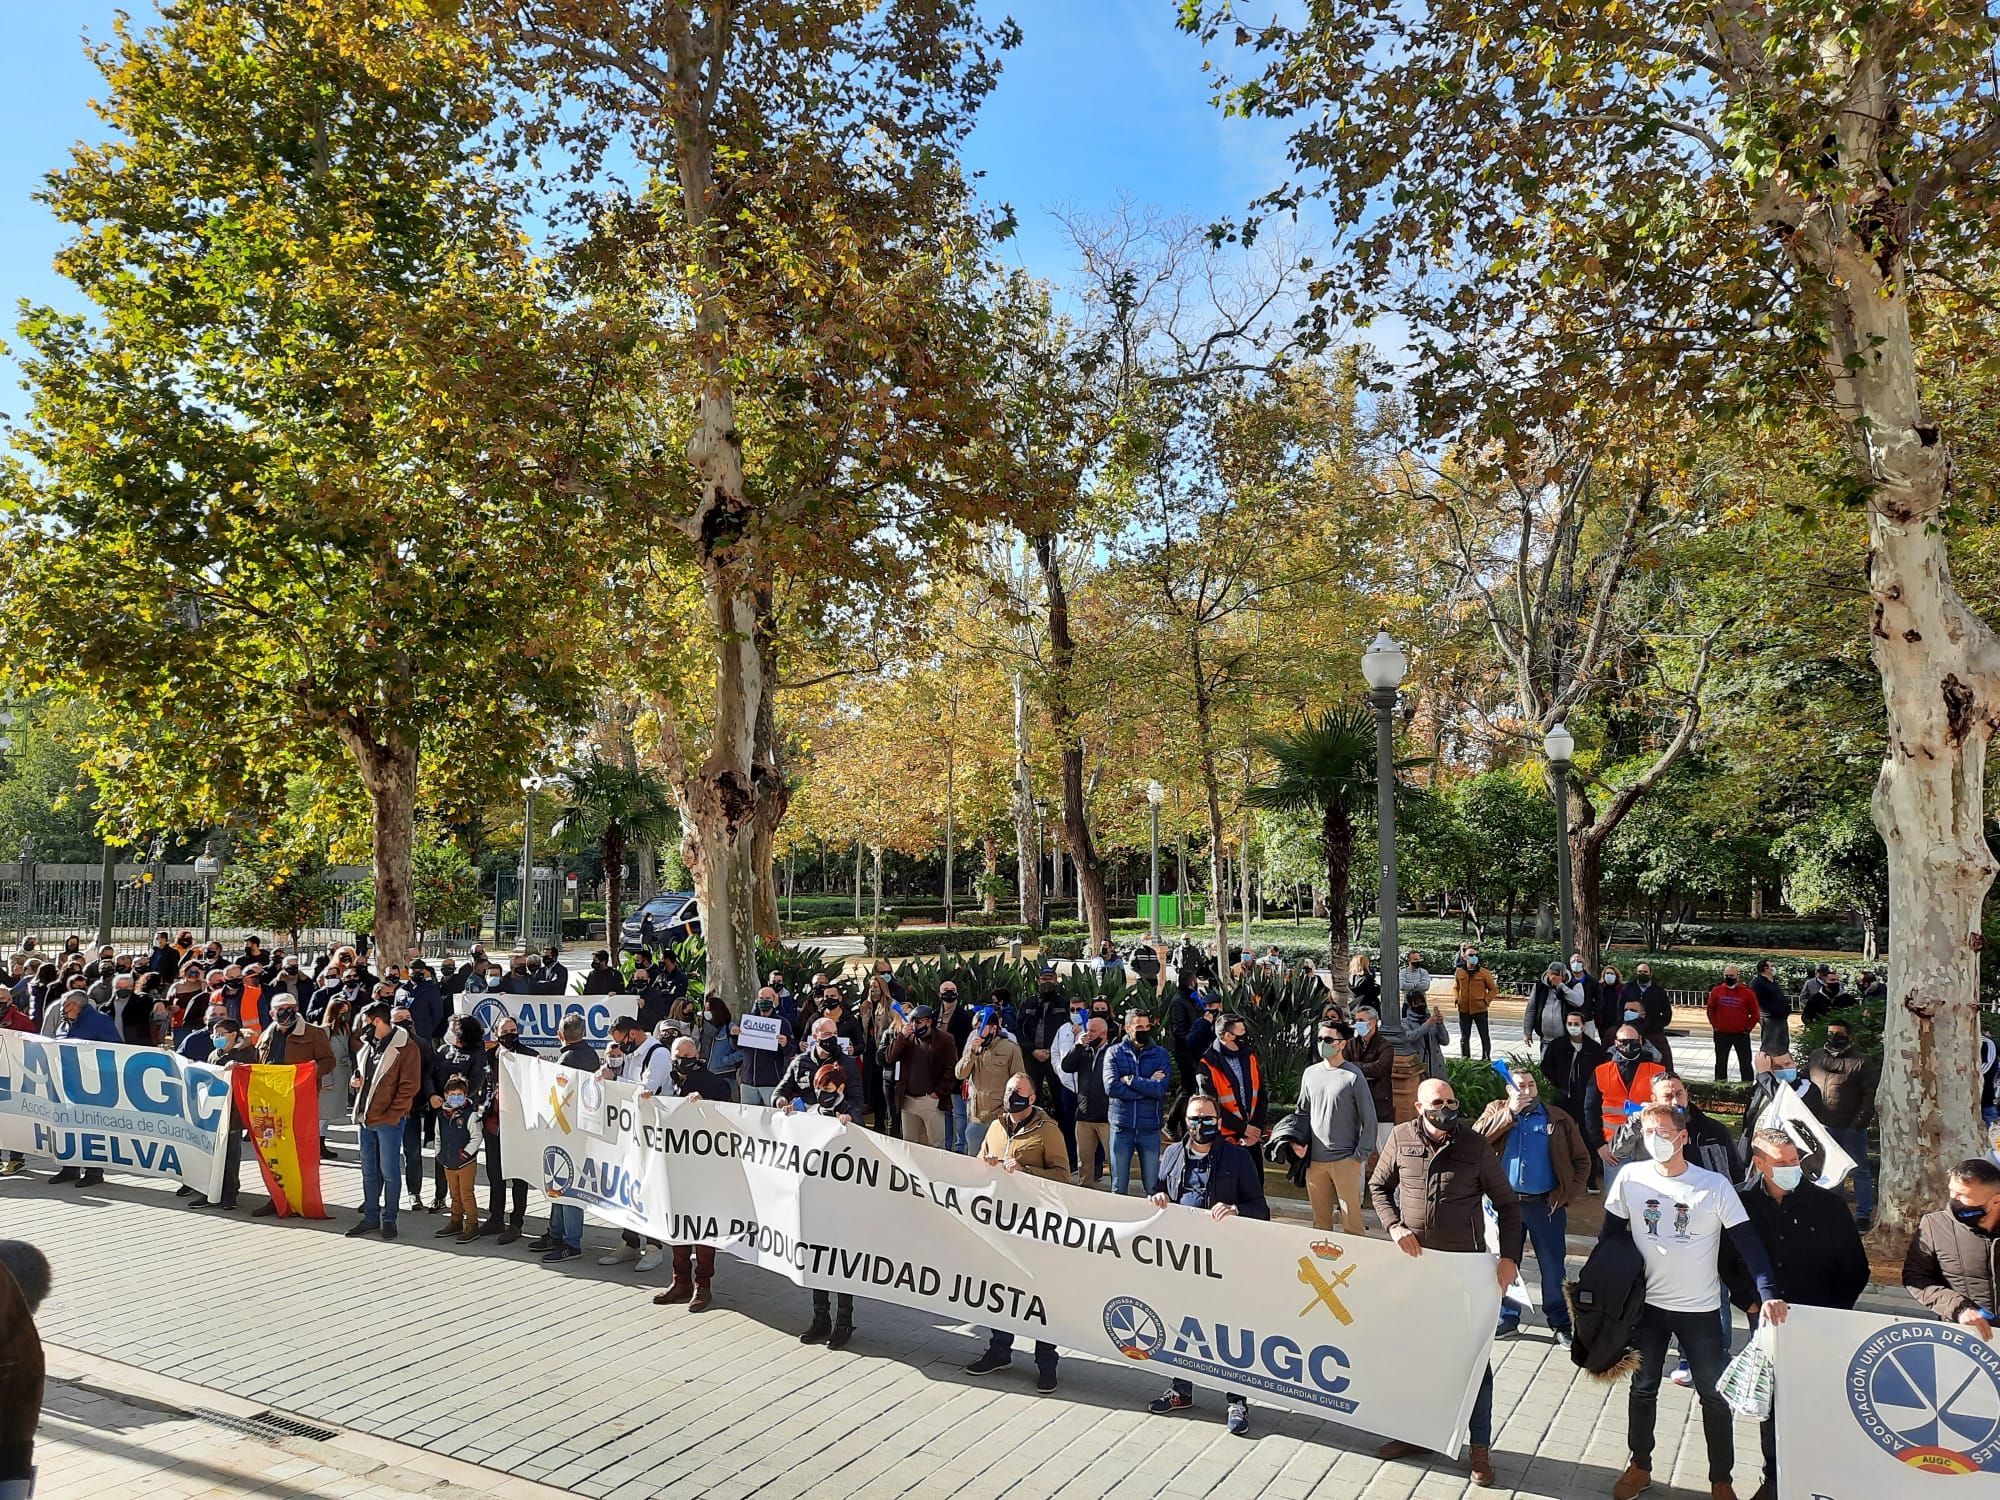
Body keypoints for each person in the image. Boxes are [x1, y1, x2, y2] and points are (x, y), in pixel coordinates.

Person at [1602, 1101, 1785, 1500]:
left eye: (1664, 1133)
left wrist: (1767, 1293)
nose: (1656, 1141)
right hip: (1645, 1309)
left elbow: (1748, 1243)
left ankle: (1722, 1480)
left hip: (1700, 1311)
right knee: (1643, 1387)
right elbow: (1609, 1241)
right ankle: (1639, 1466)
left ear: (1683, 1136)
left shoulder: (1713, 1186)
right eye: (1649, 1133)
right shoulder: (1629, 1178)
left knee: (1714, 1396)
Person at [1370, 1078, 1522, 1488]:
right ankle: (1416, 1434)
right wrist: (1394, 1225)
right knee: (1415, 1355)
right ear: (1420, 1106)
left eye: (1452, 1101)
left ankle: (1479, 1450)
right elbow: (1378, 1187)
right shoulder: (1401, 1138)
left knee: (1474, 1364)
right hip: (1415, 1268)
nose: (1447, 1107)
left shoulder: (1474, 1145)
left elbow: (1509, 1205)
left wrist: (1509, 1258)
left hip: (1465, 1271)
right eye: (1438, 1102)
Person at [1732, 1129, 1867, 1500]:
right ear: (1759, 1164)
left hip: (1819, 1323)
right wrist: (1748, 1301)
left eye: (1795, 1160)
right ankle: (1773, 1479)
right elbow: (1726, 1260)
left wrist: (1830, 1316)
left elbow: (1856, 1269)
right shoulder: (1740, 1201)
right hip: (1766, 1323)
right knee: (1771, 1403)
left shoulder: (1828, 1205)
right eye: (1782, 1162)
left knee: (1817, 1402)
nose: (1793, 1167)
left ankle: (1817, 1478)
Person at [1146, 1093, 1270, 1434]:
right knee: (1181, 1325)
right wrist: (1157, 1196)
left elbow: (1260, 1208)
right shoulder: (1171, 1154)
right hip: (1181, 1258)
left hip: (1224, 1262)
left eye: (1206, 1119)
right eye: (1193, 1119)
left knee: (1227, 1329)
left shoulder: (1238, 1157)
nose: (1200, 1125)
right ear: (1185, 1122)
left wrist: (1235, 1210)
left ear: (1218, 1121)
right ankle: (1181, 1390)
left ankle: (1237, 1401)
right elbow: (1159, 1190)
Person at [962, 1073, 1068, 1392]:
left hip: (1035, 1226)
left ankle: (1046, 1361)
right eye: (1009, 1089)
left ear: (1032, 1099)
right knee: (1000, 1290)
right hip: (1001, 1222)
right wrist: (988, 1164)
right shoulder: (996, 1127)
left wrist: (1026, 1171)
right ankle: (999, 1350)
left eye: (1019, 1092)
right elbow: (978, 1166)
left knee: (1039, 1294)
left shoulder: (1047, 1131)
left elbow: (1063, 1177)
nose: (1011, 1096)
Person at [1477, 1068, 1588, 1345]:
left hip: (1545, 1207)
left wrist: (1567, 1195)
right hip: (1505, 1206)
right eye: (1519, 1086)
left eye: (1530, 1085)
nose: (1526, 1090)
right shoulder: (1497, 1110)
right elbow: (1475, 1140)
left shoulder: (1557, 1118)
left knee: (1553, 1268)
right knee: (1504, 1262)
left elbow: (1582, 1160)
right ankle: (1507, 1317)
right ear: (1508, 1090)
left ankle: (1560, 1322)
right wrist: (1509, 1114)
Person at [654, 1037, 732, 1309]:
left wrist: (705, 1107)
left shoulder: (715, 1084)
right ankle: (680, 1281)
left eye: (687, 1054)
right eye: (677, 1055)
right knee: (678, 1227)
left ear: (697, 1054)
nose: (681, 1059)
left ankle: (703, 1285)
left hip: (705, 1171)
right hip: (675, 1167)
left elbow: (727, 1120)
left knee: (702, 1231)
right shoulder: (669, 1081)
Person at [1290, 1019, 1376, 1235]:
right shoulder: (1310, 1074)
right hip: (1314, 1162)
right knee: (1320, 1225)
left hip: (1345, 1160)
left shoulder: (1353, 1076)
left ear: (1342, 1044)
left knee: (1352, 1225)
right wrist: (1296, 1142)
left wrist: (1359, 1157)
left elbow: (1369, 1119)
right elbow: (1302, 1113)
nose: (1322, 1044)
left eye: (1328, 1039)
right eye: (1319, 1039)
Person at [346, 1000, 421, 1241]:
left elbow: (409, 1087)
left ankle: (389, 1218)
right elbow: (365, 1078)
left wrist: (392, 1116)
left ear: (377, 1021)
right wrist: (354, 1083)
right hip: (365, 1118)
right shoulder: (368, 1046)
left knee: (389, 1172)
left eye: (366, 1022)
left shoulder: (405, 1048)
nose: (362, 1028)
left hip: (387, 1121)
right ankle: (370, 1217)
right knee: (368, 1171)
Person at [1905, 1158, 2000, 1343]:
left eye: (1962, 1195)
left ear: (1996, 1201)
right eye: (1951, 1192)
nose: (1954, 1200)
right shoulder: (1934, 1225)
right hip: (1962, 1338)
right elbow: (1916, 1277)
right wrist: (1958, 1308)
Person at [798, 1063, 860, 1347]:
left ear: (840, 1089)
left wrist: (849, 1124)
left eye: (828, 1089)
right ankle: (820, 1317)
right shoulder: (811, 1114)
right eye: (818, 1089)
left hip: (844, 1204)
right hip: (817, 1201)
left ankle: (844, 1321)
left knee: (840, 1264)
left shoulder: (851, 1114)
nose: (821, 1094)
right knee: (817, 1260)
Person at [532, 1015, 602, 1263]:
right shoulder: (591, 1055)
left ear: (560, 1034)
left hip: (568, 1131)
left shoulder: (568, 1059)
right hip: (577, 1130)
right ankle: (557, 1232)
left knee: (567, 1184)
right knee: (558, 1182)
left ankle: (571, 1242)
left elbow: (557, 1092)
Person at [254, 995, 336, 1198]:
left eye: (291, 1007)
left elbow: (328, 1061)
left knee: (298, 1151)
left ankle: (300, 1197)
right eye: (282, 1008)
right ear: (272, 1013)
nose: (288, 1012)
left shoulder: (314, 1033)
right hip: (271, 1101)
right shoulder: (267, 1033)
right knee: (274, 1152)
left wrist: (309, 1073)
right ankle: (277, 1198)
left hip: (299, 1100)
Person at [1806, 1018, 1879, 1229]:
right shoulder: (1817, 1056)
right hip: (1821, 1127)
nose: (1834, 1038)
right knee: (1828, 1171)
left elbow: (1870, 1095)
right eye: (1830, 1033)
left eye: (1839, 1034)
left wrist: (1857, 1124)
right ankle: (1832, 1211)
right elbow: (1804, 1083)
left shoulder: (1861, 1062)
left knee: (1860, 1171)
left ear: (1849, 1036)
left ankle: (1863, 1215)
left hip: (1850, 1128)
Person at [1586, 1025, 1666, 1199]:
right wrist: (1599, 1145)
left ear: (1640, 1041)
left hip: (1648, 1145)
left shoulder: (1657, 1071)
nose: (1628, 1045)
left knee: (1648, 1200)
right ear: (1615, 1043)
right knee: (1616, 1200)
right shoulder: (1601, 1072)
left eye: (1632, 1041)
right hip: (1614, 1146)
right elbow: (1589, 1111)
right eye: (1623, 1042)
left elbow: (1668, 1108)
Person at [480, 1019, 539, 1244]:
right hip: (493, 1124)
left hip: (518, 1127)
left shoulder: (530, 1056)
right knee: (495, 1174)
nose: (509, 1034)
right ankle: (496, 1218)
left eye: (513, 1031)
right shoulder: (487, 1056)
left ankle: (516, 1223)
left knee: (518, 1176)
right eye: (504, 1031)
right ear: (496, 1033)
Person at [1734, 1049, 1829, 1178]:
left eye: (1788, 1064)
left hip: (1792, 1160)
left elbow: (1784, 1103)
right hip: (1758, 1158)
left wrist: (1764, 1075)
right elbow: (1750, 1121)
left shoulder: (1807, 1089)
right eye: (1778, 1067)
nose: (1784, 1069)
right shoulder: (1761, 1088)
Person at [1105, 1008, 1170, 1195]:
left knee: (1153, 1187)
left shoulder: (1160, 1054)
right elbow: (1111, 1088)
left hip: (1149, 1128)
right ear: (1127, 1028)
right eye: (1138, 1026)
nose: (1144, 1030)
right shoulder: (1114, 1053)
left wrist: (1132, 1081)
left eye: (1147, 1026)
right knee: (1119, 1186)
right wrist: (1148, 1084)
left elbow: (1160, 1089)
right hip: (1122, 1127)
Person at [885, 1004, 958, 1148]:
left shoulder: (945, 1039)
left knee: (936, 1144)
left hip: (930, 1101)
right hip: (908, 1100)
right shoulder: (907, 1038)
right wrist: (901, 1038)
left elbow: (951, 1069)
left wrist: (938, 1093)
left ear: (929, 1021)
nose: (913, 1025)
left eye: (918, 1021)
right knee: (909, 1144)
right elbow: (889, 1058)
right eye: (911, 1021)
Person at [954, 1006, 1024, 1156]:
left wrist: (1007, 1109)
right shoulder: (975, 1046)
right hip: (976, 1116)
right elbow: (960, 1074)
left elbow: (1019, 1082)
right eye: (975, 1028)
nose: (977, 1032)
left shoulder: (1010, 1049)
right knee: (974, 1160)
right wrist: (971, 1053)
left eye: (980, 1028)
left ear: (993, 1028)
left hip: (999, 1116)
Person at [1192, 1012, 1266, 1151]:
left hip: (1251, 1136)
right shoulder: (1207, 1064)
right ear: (1228, 1036)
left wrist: (1255, 1130)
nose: (1246, 1035)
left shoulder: (1250, 1057)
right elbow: (1211, 1106)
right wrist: (1244, 1128)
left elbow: (1262, 1094)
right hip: (1224, 1138)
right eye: (1242, 1031)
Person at [1060, 1014, 1114, 1185]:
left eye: (1092, 1031)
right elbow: (1066, 1067)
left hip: (1106, 1117)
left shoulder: (1112, 1052)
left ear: (1103, 1034)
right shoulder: (1083, 1051)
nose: (1088, 1033)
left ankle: (1118, 1194)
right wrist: (1077, 1046)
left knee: (1113, 1161)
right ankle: (1085, 1191)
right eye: (1088, 1030)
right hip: (1083, 1115)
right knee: (1084, 1162)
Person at [432, 1073, 482, 1242]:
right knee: (454, 1193)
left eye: (459, 1095)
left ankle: (472, 1224)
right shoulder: (441, 1116)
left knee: (466, 1193)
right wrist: (438, 1153)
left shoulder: (470, 1115)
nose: (455, 1098)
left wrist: (466, 1154)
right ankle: (455, 1221)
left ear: (465, 1095)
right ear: (446, 1095)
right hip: (448, 1161)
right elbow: (438, 1135)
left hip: (465, 1163)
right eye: (452, 1095)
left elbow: (476, 1137)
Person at [1705, 965, 1759, 1083]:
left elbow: (1755, 1013)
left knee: (1745, 1062)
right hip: (1721, 1033)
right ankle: (1720, 1085)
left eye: (1732, 976)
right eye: (1726, 975)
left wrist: (1748, 1028)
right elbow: (1710, 1010)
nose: (1729, 978)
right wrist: (1716, 1026)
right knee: (1720, 1062)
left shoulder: (1747, 993)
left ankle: (1747, 1086)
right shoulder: (1717, 991)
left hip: (1741, 1034)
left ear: (1737, 976)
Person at [1524, 960, 1582, 1047]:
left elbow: (1578, 1002)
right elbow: (1531, 1009)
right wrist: (1527, 1032)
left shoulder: (1574, 985)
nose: (1553, 978)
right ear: (1548, 974)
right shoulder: (1540, 986)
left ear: (1564, 976)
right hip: (1545, 1039)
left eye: (1557, 975)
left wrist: (1562, 986)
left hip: (1566, 1039)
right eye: (1552, 974)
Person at [1454, 948, 1498, 1060]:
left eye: (1475, 955)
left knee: (1484, 1036)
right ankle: (1465, 1059)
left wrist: (1486, 1001)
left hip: (1480, 1009)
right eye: (1471, 955)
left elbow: (1493, 989)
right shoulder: (1459, 972)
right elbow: (1456, 987)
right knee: (1464, 1037)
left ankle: (1486, 1058)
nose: (1474, 957)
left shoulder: (1484, 972)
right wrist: (1457, 999)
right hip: (1464, 1009)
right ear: (1464, 957)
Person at [1749, 959, 1789, 1057]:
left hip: (1781, 1017)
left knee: (1782, 1043)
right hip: (1770, 1017)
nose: (1773, 968)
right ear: (1765, 968)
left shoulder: (1773, 982)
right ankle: (1766, 1066)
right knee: (1770, 1045)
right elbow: (1754, 1000)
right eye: (1771, 966)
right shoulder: (1757, 982)